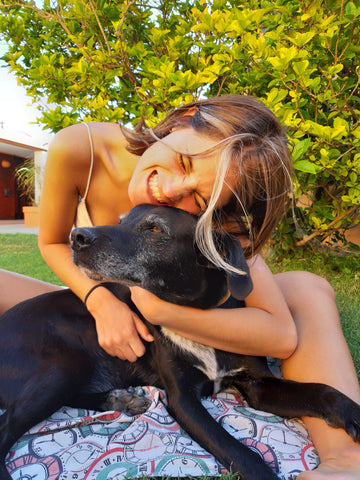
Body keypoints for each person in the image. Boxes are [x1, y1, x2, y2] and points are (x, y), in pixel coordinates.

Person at [0, 95, 359, 479]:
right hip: (91, 292)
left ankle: (345, 459)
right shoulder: (80, 146)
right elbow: (54, 242)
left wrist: (162, 312)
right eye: (184, 161)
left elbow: (281, 336)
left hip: (168, 304)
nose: (169, 189)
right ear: (185, 118)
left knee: (306, 287)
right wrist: (101, 303)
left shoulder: (221, 212)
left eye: (199, 199)